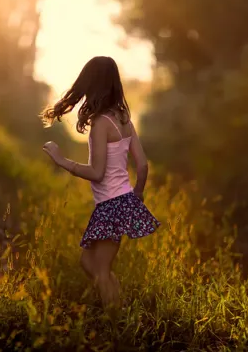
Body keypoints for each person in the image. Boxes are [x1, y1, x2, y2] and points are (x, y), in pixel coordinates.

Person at [40, 56, 160, 309]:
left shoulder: (101, 123)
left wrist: (62, 161)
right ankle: (122, 305)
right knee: (89, 263)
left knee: (101, 269)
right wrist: (136, 194)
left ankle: (118, 319)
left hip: (111, 205)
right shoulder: (124, 117)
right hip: (120, 201)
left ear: (91, 85)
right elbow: (143, 165)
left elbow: (97, 173)